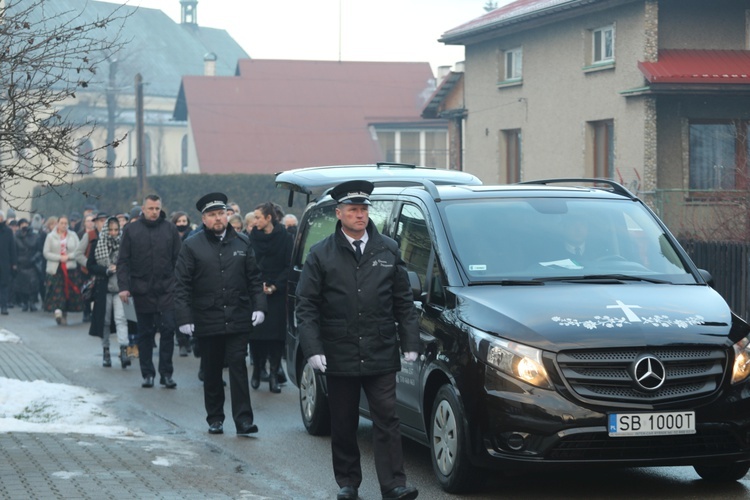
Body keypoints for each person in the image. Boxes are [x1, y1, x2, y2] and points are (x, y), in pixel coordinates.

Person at [296, 180, 420, 500]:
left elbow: (403, 302)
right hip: (339, 350)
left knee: (387, 418)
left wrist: (410, 343)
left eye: (364, 209)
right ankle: (348, 482)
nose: (360, 215)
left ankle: (393, 485)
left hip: (379, 349)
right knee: (344, 421)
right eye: (353, 210)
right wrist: (313, 349)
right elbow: (306, 305)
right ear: (339, 214)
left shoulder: (388, 250)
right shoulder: (320, 254)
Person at [174, 192, 267, 436]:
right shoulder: (192, 246)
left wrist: (259, 306)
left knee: (238, 366)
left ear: (228, 215)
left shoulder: (243, 243)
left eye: (221, 214)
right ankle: (215, 417)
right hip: (207, 317)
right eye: (212, 215)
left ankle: (244, 420)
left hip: (238, 316)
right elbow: (181, 284)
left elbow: (254, 279)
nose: (218, 219)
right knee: (212, 370)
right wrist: (184, 318)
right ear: (204, 219)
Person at [117, 194, 181, 389]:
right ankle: (147, 373)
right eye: (151, 208)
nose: (154, 212)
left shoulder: (170, 229)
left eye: (157, 208)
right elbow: (123, 261)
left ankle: (166, 373)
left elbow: (179, 260)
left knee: (168, 330)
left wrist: (179, 284)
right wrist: (124, 287)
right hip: (141, 289)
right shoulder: (131, 230)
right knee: (145, 333)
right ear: (143, 209)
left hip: (167, 289)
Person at [248, 202, 293, 393]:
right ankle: (258, 370)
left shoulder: (285, 237)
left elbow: (288, 265)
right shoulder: (251, 238)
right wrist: (258, 285)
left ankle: (274, 374)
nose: (254, 220)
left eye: (258, 217)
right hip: (257, 291)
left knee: (275, 337)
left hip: (277, 293)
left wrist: (275, 285)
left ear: (268, 218)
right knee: (257, 335)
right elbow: (248, 264)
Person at [87, 217, 131, 368]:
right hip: (103, 289)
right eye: (110, 229)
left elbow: (130, 263)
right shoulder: (97, 244)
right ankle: (106, 351)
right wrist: (106, 270)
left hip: (121, 289)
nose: (113, 233)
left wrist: (121, 268)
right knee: (104, 321)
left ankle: (124, 352)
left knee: (122, 319)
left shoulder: (125, 244)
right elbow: (90, 265)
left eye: (116, 229)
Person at [43, 215, 83, 325]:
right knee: (57, 290)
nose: (64, 225)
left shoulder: (73, 235)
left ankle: (64, 313)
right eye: (62, 223)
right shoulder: (51, 236)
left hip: (70, 268)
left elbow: (79, 250)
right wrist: (59, 258)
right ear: (58, 223)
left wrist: (69, 256)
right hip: (56, 268)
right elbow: (46, 252)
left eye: (66, 223)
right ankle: (57, 311)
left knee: (68, 292)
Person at [76, 212, 108, 323]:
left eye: (106, 221)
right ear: (96, 223)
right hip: (88, 271)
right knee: (88, 293)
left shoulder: (112, 235)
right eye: (101, 221)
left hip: (104, 271)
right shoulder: (89, 236)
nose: (104, 223)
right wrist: (88, 264)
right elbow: (78, 254)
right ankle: (86, 313)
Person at [13, 218, 41, 312]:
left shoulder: (34, 236)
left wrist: (35, 258)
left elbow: (39, 249)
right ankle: (25, 303)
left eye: (25, 223)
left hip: (32, 263)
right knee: (22, 285)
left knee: (33, 284)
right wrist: (15, 262)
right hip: (21, 263)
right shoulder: (16, 237)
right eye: (22, 224)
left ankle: (32, 303)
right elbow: (14, 250)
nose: (24, 225)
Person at [0, 210, 17, 315]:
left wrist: (14, 263)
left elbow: (12, 248)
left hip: (5, 263)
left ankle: (4, 306)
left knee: (4, 285)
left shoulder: (8, 231)